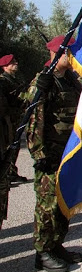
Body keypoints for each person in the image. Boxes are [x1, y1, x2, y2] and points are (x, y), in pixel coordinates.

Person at [24, 35, 82, 272]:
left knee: (62, 202)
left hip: (67, 152)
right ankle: (43, 251)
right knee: (47, 205)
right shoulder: (43, 81)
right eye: (70, 52)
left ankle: (57, 244)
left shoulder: (70, 80)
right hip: (50, 153)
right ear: (57, 53)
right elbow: (33, 120)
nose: (74, 57)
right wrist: (40, 155)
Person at [0, 54, 29, 185]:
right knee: (8, 146)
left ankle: (11, 172)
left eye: (15, 61)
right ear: (5, 66)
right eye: (12, 62)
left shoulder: (14, 80)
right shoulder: (3, 81)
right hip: (8, 120)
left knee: (15, 146)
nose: (16, 63)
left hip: (16, 118)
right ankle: (6, 173)